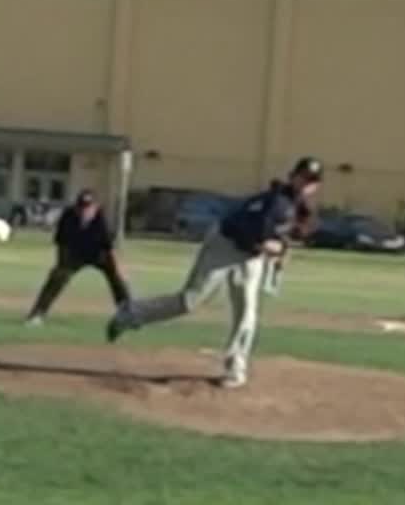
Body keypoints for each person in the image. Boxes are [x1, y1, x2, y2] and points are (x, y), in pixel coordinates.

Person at [106, 157, 323, 389]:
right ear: (294, 176)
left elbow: (290, 234)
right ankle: (131, 313)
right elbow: (259, 238)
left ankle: (235, 367)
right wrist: (279, 249)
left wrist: (283, 246)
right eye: (303, 177)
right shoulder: (278, 204)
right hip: (225, 244)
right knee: (189, 301)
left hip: (249, 254)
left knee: (247, 311)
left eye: (311, 181)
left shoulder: (298, 205)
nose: (306, 184)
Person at [24, 189, 131, 326]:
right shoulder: (68, 217)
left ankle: (128, 314)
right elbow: (61, 243)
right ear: (76, 207)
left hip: (99, 254)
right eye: (81, 208)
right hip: (75, 254)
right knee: (57, 276)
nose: (84, 212)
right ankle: (37, 314)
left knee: (117, 279)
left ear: (95, 207)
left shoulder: (102, 220)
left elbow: (110, 248)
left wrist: (118, 269)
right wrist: (61, 265)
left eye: (88, 208)